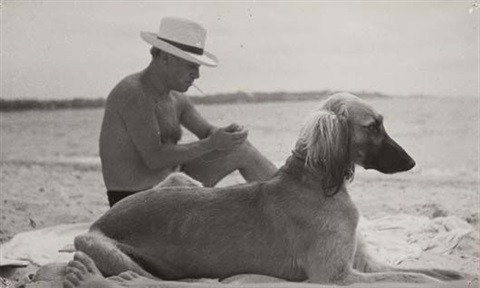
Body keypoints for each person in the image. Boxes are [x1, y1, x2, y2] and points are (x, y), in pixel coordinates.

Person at [99, 17, 277, 207]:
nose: (197, 75)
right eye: (191, 65)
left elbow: (207, 132)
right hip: (133, 203)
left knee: (241, 149)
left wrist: (228, 134)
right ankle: (289, 200)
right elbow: (155, 158)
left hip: (169, 188)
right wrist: (211, 144)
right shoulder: (133, 92)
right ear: (166, 57)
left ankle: (291, 196)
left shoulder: (176, 97)